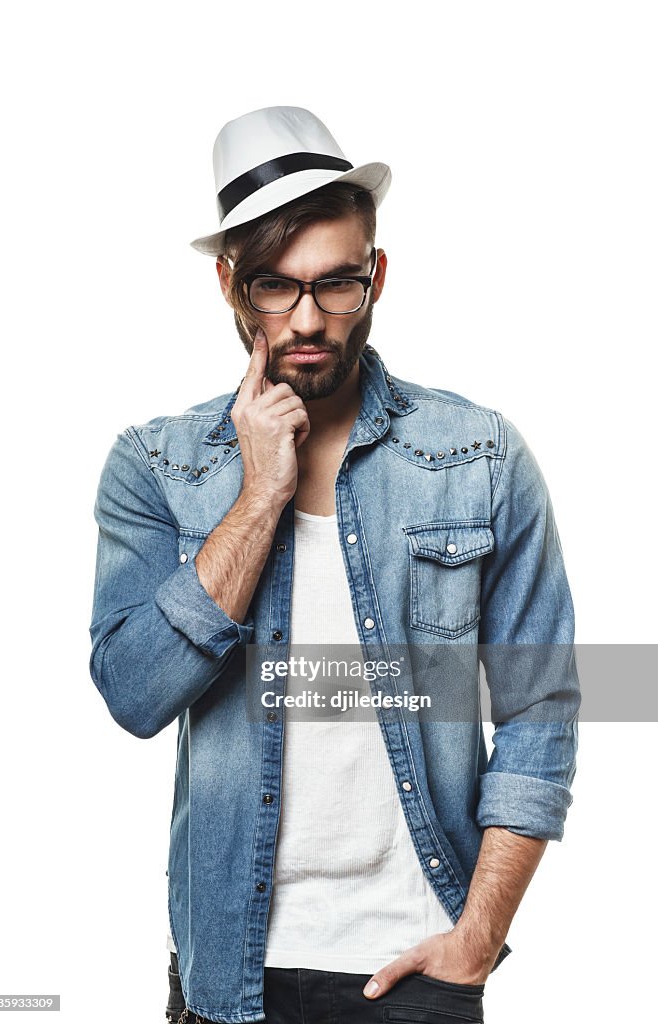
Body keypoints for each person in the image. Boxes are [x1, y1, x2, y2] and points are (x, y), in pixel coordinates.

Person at [89, 106, 580, 1024]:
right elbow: (131, 694)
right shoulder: (157, 466)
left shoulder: (476, 456)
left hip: (417, 961)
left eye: (337, 285)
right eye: (276, 287)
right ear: (231, 287)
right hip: (229, 969)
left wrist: (478, 937)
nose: (308, 320)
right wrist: (260, 496)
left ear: (377, 275)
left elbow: (539, 705)